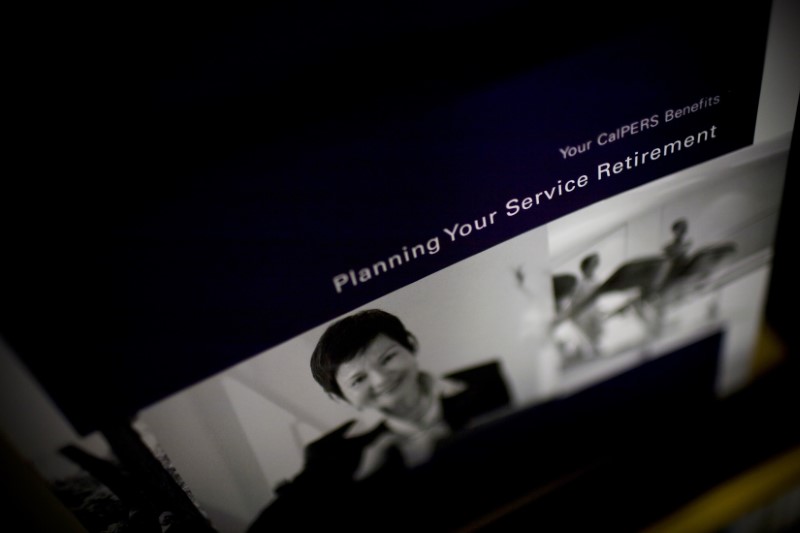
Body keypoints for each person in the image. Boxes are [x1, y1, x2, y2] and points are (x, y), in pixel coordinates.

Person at [247, 309, 511, 531]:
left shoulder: (486, 381)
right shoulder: (330, 454)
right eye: (358, 379)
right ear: (341, 398)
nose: (381, 379)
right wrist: (364, 482)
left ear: (411, 347)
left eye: (388, 358)